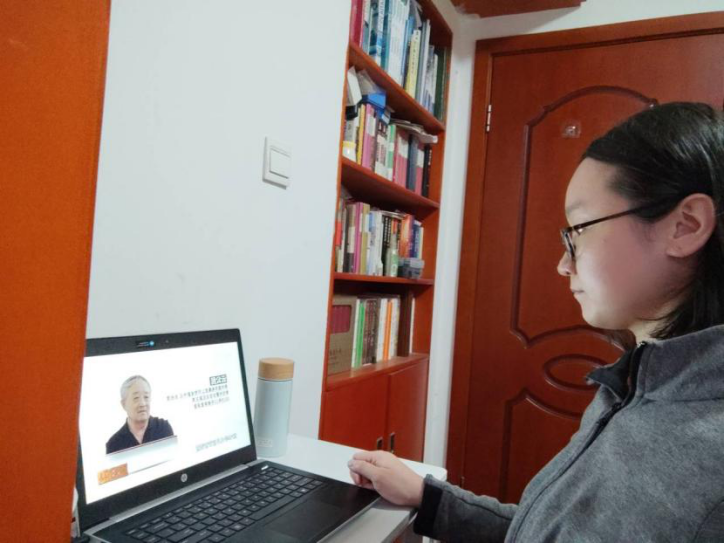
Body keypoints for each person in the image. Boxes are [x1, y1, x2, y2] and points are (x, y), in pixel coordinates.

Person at [348, 102, 724, 543]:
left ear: (684, 226)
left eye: (578, 229)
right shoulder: (631, 387)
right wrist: (430, 500)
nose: (563, 264)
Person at [106, 375, 174, 454]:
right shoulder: (114, 444)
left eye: (146, 397)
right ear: (124, 404)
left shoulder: (163, 427)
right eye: (136, 398)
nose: (142, 404)